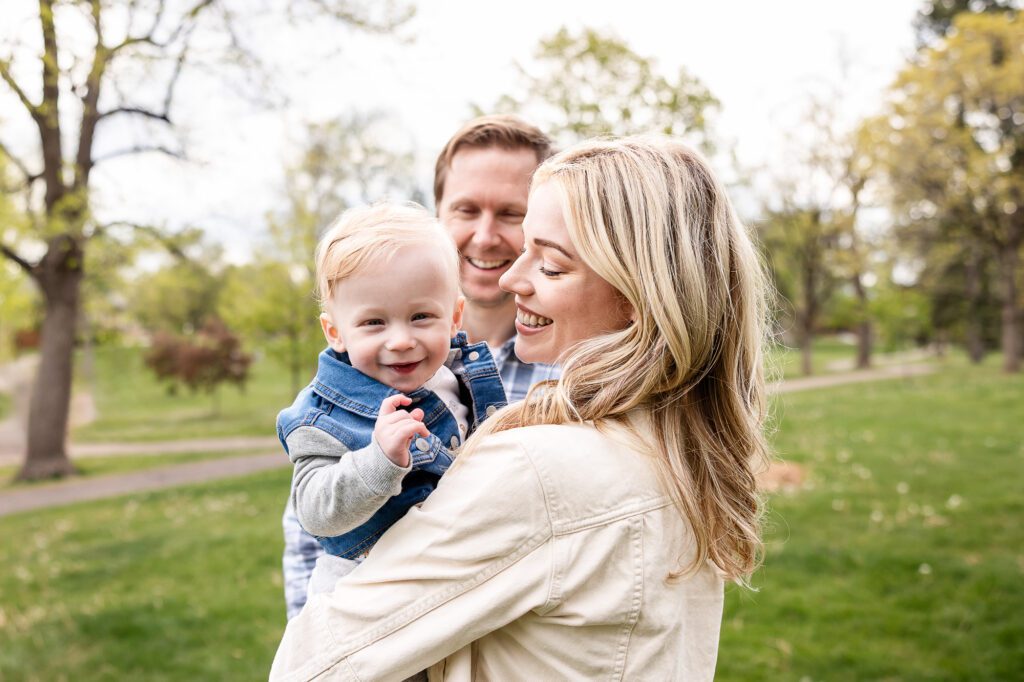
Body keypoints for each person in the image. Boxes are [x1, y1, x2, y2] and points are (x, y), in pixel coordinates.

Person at [270, 136, 771, 681]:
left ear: (636, 297)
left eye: (551, 266)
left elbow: (313, 666)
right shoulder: (680, 444)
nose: (509, 278)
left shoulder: (539, 468)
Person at [282, 115, 559, 619]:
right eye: (466, 209)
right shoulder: (348, 398)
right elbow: (309, 533)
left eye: (511, 213)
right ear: (437, 215)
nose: (485, 235)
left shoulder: (575, 371)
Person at [278, 203, 507, 599]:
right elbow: (314, 511)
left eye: (420, 316)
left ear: (454, 318)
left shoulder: (461, 377)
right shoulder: (321, 417)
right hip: (366, 593)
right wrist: (378, 461)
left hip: (453, 579)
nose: (400, 340)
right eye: (374, 323)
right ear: (336, 332)